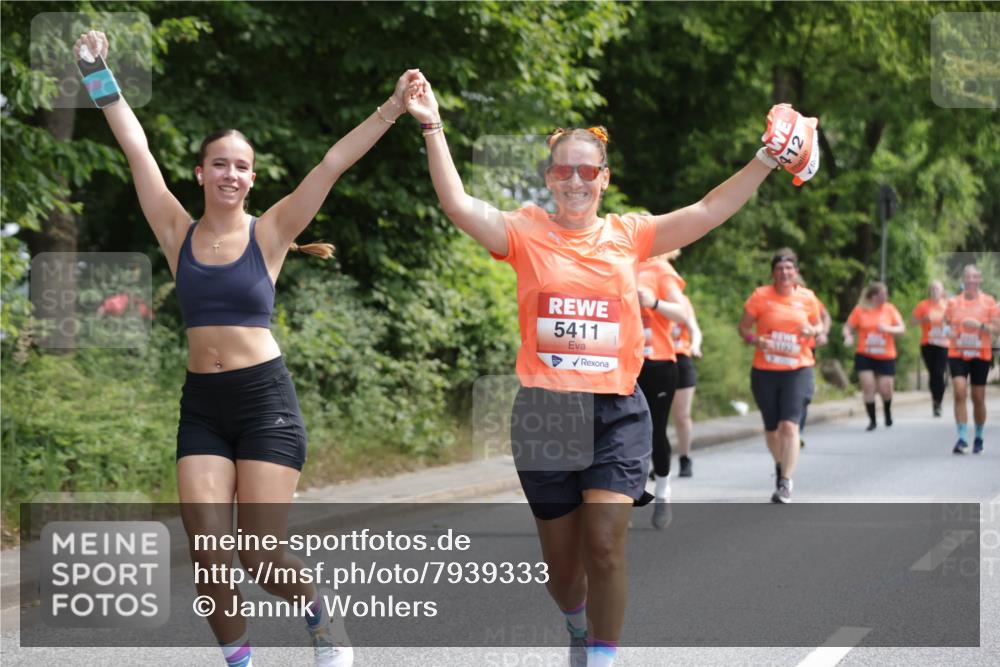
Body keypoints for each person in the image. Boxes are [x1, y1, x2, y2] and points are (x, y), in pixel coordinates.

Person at [406, 72, 786, 666]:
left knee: (606, 547)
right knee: (563, 573)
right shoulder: (525, 231)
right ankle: (577, 625)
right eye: (565, 170)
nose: (576, 180)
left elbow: (710, 209)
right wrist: (431, 124)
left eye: (589, 171)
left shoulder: (629, 234)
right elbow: (456, 202)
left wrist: (766, 157)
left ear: (604, 179)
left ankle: (605, 657)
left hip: (616, 410)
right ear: (549, 177)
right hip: (545, 414)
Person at [75, 30, 419, 667]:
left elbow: (332, 165)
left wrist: (392, 109)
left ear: (251, 177)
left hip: (265, 404)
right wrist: (98, 72)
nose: (230, 173)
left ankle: (319, 616)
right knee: (209, 556)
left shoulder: (275, 231)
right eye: (219, 164)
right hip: (203, 407)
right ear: (201, 173)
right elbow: (134, 144)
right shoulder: (175, 229)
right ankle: (240, 661)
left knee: (260, 553)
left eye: (241, 165)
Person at [738, 249, 823, 504]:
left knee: (789, 426)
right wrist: (756, 340)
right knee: (772, 431)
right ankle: (780, 464)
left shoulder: (808, 298)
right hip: (765, 371)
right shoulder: (760, 296)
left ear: (796, 272)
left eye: (789, 269)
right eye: (779, 269)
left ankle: (785, 481)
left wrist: (812, 329)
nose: (784, 273)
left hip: (798, 369)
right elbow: (743, 328)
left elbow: (818, 326)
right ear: (773, 273)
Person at [637, 252, 692, 527]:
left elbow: (682, 312)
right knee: (622, 435)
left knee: (655, 431)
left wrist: (654, 302)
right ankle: (622, 503)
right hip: (622, 365)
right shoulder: (615, 262)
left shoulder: (659, 269)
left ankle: (662, 494)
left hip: (657, 363)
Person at [945, 265, 999, 454]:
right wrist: (949, 333)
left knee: (978, 398)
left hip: (980, 354)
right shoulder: (953, 302)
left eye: (974, 277)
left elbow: (997, 330)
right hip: (957, 353)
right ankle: (961, 438)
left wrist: (980, 325)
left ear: (979, 280)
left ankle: (979, 436)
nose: (971, 280)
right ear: (963, 280)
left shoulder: (989, 302)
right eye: (968, 277)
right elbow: (945, 326)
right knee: (959, 391)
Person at [843, 282, 905, 431]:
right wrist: (848, 337)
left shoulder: (890, 309)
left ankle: (887, 413)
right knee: (868, 386)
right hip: (865, 354)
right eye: (884, 294)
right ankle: (872, 420)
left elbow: (901, 329)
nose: (886, 296)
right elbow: (848, 327)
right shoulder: (860, 310)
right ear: (874, 296)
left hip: (886, 355)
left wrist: (888, 328)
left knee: (886, 389)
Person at [665, 251, 703, 478]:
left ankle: (685, 457)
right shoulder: (647, 298)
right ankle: (658, 463)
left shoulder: (682, 303)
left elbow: (694, 329)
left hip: (681, 358)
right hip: (655, 359)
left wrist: (695, 345)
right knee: (656, 417)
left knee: (681, 415)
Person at [795, 278, 831, 448]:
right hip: (779, 356)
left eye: (799, 287)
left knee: (803, 394)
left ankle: (798, 431)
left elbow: (825, 317)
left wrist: (823, 333)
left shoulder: (810, 299)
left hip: (806, 352)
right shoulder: (772, 299)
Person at [912, 280, 951, 417]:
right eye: (933, 288)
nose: (935, 291)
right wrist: (923, 320)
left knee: (939, 373)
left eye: (937, 289)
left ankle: (938, 402)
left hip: (943, 343)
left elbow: (953, 323)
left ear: (942, 291)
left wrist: (946, 326)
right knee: (933, 373)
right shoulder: (923, 305)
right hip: (927, 343)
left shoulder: (947, 305)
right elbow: (912, 322)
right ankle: (935, 399)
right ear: (929, 291)